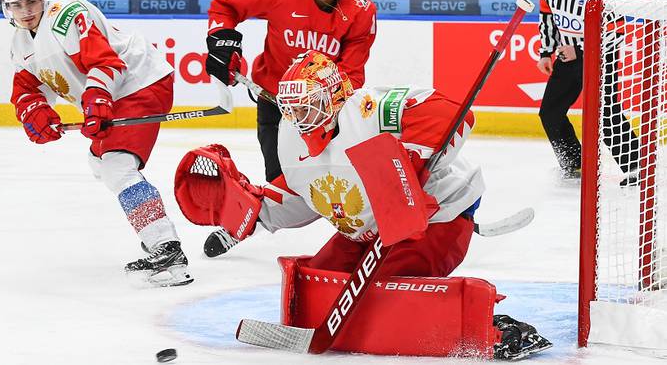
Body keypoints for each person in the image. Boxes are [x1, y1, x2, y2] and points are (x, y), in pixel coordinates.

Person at [176, 50, 551, 359]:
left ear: (337, 97)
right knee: (316, 283)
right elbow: (304, 193)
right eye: (293, 108)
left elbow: (450, 113)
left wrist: (407, 167)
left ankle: (498, 329)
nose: (299, 117)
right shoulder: (291, 133)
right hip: (367, 223)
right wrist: (255, 210)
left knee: (389, 289)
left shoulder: (371, 110)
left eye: (309, 105)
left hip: (437, 216)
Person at [1, 0, 192, 286]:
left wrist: (97, 99)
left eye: (31, 2)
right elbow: (27, 89)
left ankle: (167, 249)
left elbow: (106, 62)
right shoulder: (20, 43)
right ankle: (155, 234)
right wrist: (35, 112)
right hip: (115, 94)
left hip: (139, 82)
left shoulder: (66, 14)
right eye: (17, 5)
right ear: (7, 6)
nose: (26, 11)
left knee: (118, 166)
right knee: (101, 165)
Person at [203, 0, 377, 256]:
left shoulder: (361, 10)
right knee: (281, 180)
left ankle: (369, 229)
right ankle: (245, 221)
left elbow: (352, 74)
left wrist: (327, 104)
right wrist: (222, 42)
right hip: (273, 100)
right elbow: (224, 8)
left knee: (340, 176)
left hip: (322, 113)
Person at [537, 0, 639, 181]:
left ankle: (635, 167)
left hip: (600, 58)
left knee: (607, 113)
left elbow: (616, 32)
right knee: (550, 113)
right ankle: (574, 163)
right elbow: (547, 15)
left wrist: (581, 51)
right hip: (566, 56)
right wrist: (545, 52)